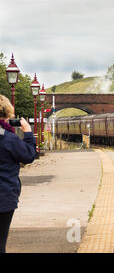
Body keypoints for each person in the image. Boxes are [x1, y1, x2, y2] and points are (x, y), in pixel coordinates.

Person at [0, 95, 36, 253]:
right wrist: (28, 133)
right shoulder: (8, 139)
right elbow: (28, 156)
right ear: (7, 115)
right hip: (3, 196)